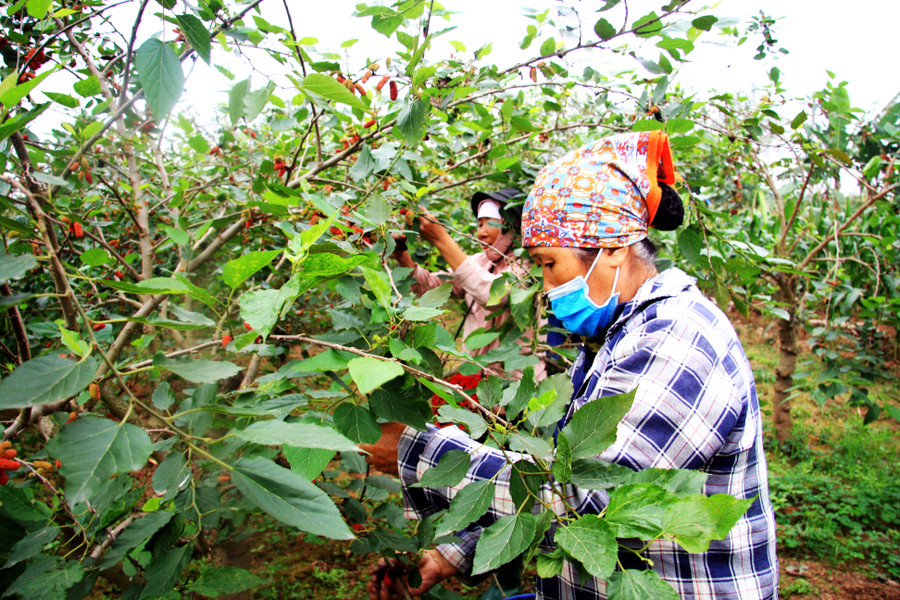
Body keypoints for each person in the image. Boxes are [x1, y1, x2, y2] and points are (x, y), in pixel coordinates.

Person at [364, 130, 779, 600]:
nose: (545, 285)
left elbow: (586, 503)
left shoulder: (678, 338)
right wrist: (452, 553)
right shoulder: (614, 334)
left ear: (615, 248)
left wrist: (414, 452)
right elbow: (567, 481)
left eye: (549, 263)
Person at [392, 186, 547, 381]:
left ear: (512, 226)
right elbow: (430, 286)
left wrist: (442, 239)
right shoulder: (479, 262)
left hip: (515, 385)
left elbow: (491, 294)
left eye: (490, 223)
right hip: (477, 380)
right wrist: (401, 256)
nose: (480, 233)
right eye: (479, 224)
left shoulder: (529, 269)